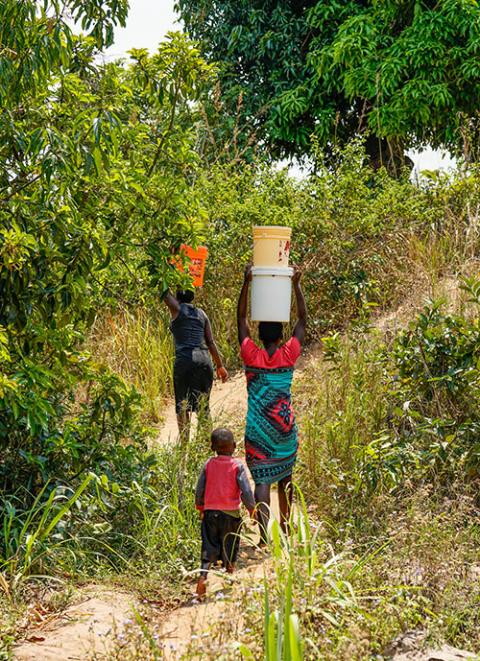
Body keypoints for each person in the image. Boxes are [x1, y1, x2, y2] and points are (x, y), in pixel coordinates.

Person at [237, 264, 307, 542]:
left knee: (262, 480)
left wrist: (247, 282)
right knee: (286, 478)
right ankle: (287, 528)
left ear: (260, 336)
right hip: (284, 427)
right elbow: (302, 321)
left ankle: (265, 534)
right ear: (280, 336)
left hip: (257, 429)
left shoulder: (251, 355)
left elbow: (240, 319)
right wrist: (296, 285)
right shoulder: (288, 354)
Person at [195, 428, 255, 599]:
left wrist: (200, 507)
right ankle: (229, 575)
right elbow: (245, 490)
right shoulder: (237, 466)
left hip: (210, 513)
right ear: (234, 446)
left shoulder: (208, 465)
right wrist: (251, 509)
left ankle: (202, 576)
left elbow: (200, 489)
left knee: (208, 546)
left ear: (212, 447)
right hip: (231, 515)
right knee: (231, 543)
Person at [162, 289, 228, 441]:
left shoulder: (177, 309)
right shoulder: (202, 314)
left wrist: (162, 269)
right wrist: (220, 365)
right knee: (204, 408)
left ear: (177, 297)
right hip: (204, 361)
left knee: (183, 406)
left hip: (185, 361)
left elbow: (164, 293)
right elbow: (210, 342)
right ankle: (206, 446)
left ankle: (184, 447)